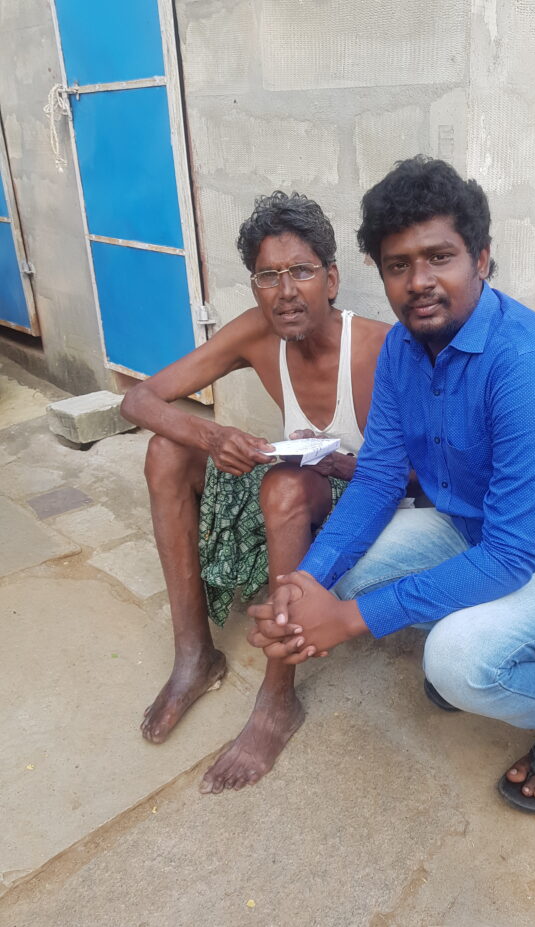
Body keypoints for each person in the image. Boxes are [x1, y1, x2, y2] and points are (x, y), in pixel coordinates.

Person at [248, 157, 535, 813]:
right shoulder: (402, 350)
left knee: (457, 662)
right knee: (343, 574)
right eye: (398, 265)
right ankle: (478, 634)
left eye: (440, 257)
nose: (419, 282)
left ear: (482, 259)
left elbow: (513, 556)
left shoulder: (529, 365)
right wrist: (304, 585)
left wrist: (346, 622)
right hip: (476, 529)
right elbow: (378, 480)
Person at [120, 191, 389, 793]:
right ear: (255, 287)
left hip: (359, 499)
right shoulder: (257, 334)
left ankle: (278, 697)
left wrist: (341, 465)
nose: (285, 291)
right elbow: (138, 399)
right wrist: (213, 435)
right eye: (269, 276)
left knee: (286, 487)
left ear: (332, 279)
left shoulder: (377, 346)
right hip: (290, 486)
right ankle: (195, 656)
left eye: (301, 271)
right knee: (167, 449)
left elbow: (426, 473)